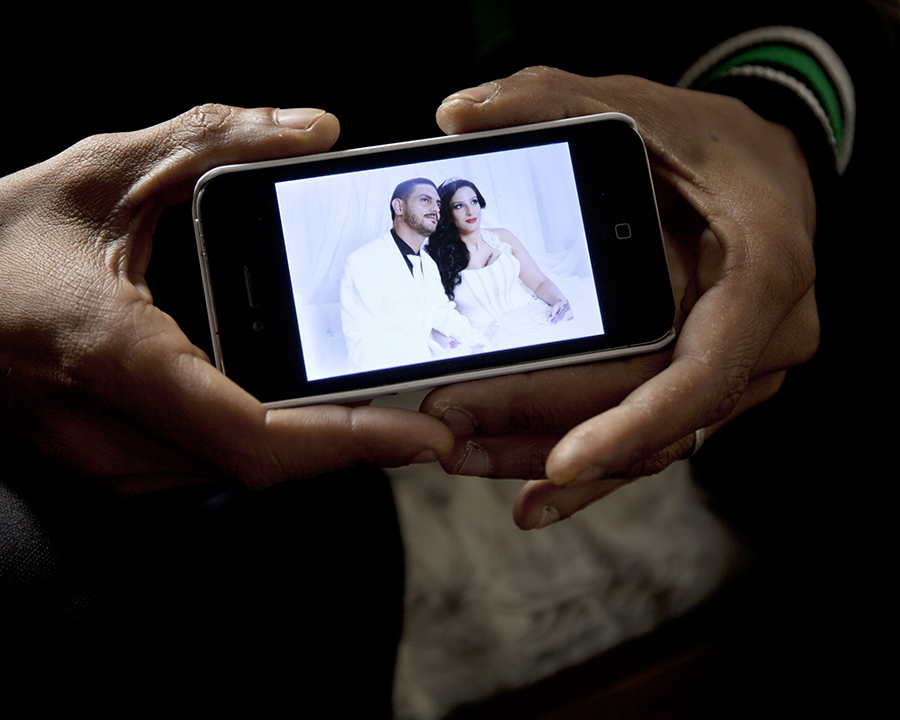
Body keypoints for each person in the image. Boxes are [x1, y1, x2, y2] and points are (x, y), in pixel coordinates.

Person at [339, 177, 489, 372]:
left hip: (429, 366)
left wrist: (479, 344)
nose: (435, 209)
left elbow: (443, 312)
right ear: (399, 207)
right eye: (425, 200)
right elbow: (365, 343)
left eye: (438, 204)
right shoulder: (363, 260)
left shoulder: (428, 263)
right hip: (389, 373)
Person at [427, 178, 573, 344]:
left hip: (537, 320)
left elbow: (539, 283)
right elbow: (439, 315)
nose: (470, 211)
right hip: (485, 341)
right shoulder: (437, 259)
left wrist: (560, 302)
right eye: (459, 206)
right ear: (448, 214)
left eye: (474, 201)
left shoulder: (503, 237)